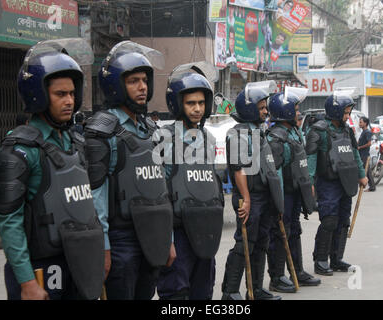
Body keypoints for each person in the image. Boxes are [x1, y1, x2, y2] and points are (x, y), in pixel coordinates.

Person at [0, 39, 104, 300]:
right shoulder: (20, 149)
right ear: (39, 95)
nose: (69, 100)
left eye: (72, 94)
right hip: (41, 270)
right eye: (60, 94)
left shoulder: (75, 141)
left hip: (78, 264)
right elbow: (9, 222)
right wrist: (27, 282)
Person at [84, 41, 175, 300]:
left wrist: (168, 239)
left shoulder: (150, 129)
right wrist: (103, 248)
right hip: (120, 238)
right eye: (134, 80)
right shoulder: (103, 132)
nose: (143, 87)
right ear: (116, 85)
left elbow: (161, 189)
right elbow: (96, 197)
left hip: (152, 236)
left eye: (145, 80)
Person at [156, 63, 224, 300]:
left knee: (203, 291)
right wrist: (167, 241)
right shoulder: (165, 140)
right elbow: (161, 194)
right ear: (177, 104)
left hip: (205, 229)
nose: (197, 109)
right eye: (190, 103)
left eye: (201, 103)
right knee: (176, 292)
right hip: (179, 232)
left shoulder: (208, 139)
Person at [221, 81, 282, 300]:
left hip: (263, 197)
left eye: (266, 107)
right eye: (262, 107)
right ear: (249, 108)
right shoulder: (237, 133)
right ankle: (230, 292)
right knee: (244, 243)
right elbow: (239, 171)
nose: (266, 111)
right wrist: (246, 199)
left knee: (261, 242)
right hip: (249, 197)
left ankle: (255, 289)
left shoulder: (259, 131)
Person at [306, 93, 368, 276]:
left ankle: (336, 259)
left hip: (346, 182)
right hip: (328, 183)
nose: (348, 117)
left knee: (342, 222)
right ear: (335, 111)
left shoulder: (347, 131)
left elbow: (355, 154)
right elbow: (310, 159)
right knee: (329, 221)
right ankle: (321, 260)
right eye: (346, 113)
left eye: (349, 113)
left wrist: (362, 175)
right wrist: (309, 182)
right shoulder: (319, 131)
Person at [266, 92, 321, 293]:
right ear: (285, 112)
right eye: (296, 110)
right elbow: (276, 174)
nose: (298, 113)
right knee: (280, 233)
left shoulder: (294, 132)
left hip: (295, 192)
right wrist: (278, 202)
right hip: (284, 195)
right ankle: (277, 277)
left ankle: (297, 270)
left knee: (294, 231)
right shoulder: (275, 138)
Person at [358, 117, 376, 192]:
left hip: (364, 154)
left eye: (361, 122)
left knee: (366, 171)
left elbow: (369, 143)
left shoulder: (367, 132)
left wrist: (360, 147)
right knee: (367, 171)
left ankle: (371, 187)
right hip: (361, 154)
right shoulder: (363, 132)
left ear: (365, 123)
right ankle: (372, 186)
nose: (359, 124)